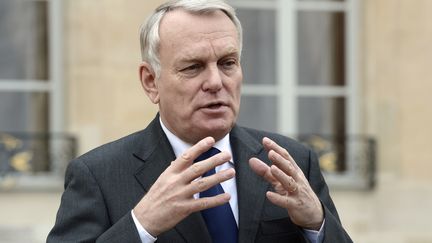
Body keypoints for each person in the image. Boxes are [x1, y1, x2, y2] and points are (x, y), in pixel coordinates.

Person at [47, 0, 352, 242]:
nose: (216, 82)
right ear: (151, 81)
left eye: (227, 63)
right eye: (193, 67)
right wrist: (141, 225)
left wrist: (317, 224)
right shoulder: (98, 175)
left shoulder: (292, 161)